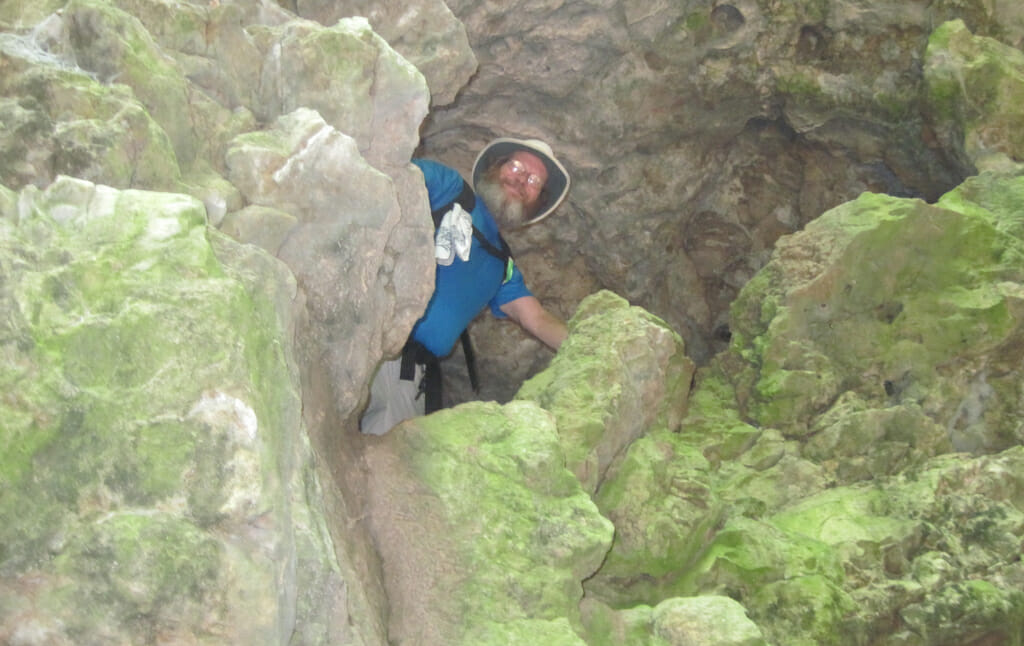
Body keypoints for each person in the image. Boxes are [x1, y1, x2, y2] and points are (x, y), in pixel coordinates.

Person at [360, 137, 571, 435]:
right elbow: (392, 177)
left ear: (538, 201)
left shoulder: (501, 264)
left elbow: (534, 318)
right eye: (516, 165)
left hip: (406, 375)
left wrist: (585, 349)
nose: (522, 178)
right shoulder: (450, 190)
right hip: (363, 331)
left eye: (534, 180)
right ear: (494, 168)